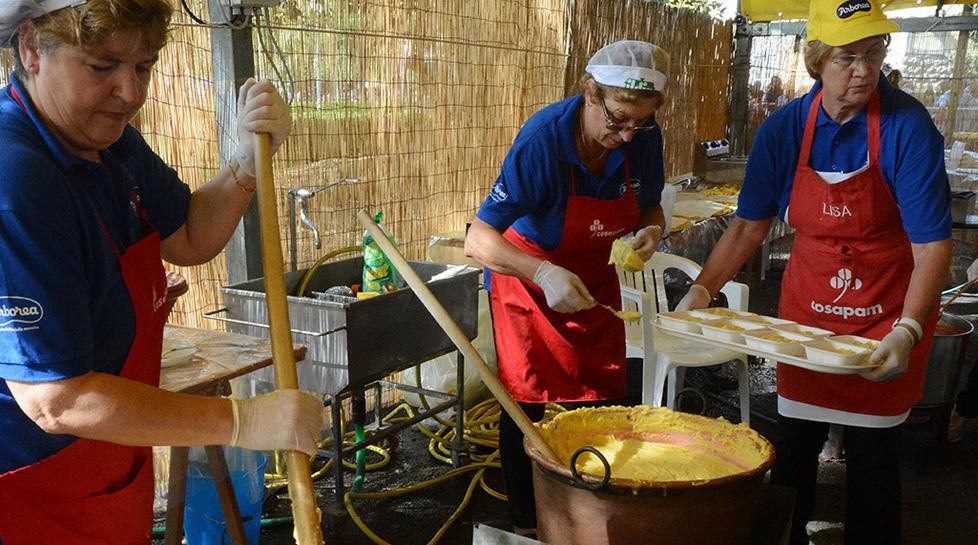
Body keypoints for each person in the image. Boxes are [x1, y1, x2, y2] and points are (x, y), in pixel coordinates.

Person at [0, 2, 327, 542]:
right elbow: (55, 399)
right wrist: (240, 420)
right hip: (27, 490)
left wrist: (244, 164)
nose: (130, 93)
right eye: (102, 66)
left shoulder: (108, 143)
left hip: (104, 468)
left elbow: (190, 234)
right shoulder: (16, 182)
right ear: (32, 47)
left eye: (143, 67)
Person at [676, 1, 951, 544]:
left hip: (886, 310)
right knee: (795, 445)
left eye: (873, 55)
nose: (864, 71)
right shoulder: (783, 130)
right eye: (848, 58)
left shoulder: (907, 126)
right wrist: (701, 291)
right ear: (816, 60)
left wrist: (910, 328)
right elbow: (748, 226)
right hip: (809, 315)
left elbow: (931, 244)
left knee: (874, 455)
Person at [464, 40, 669, 535]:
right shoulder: (543, 141)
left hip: (595, 276)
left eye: (639, 123)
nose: (626, 135)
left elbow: (651, 207)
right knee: (529, 406)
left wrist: (652, 231)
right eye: (618, 119)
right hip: (528, 278)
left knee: (602, 399)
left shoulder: (642, 136)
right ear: (590, 92)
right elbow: (478, 238)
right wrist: (542, 273)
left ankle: (593, 517)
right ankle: (529, 525)